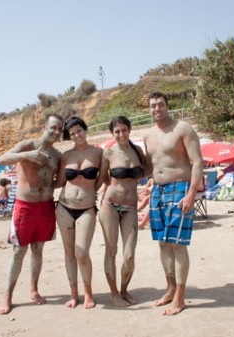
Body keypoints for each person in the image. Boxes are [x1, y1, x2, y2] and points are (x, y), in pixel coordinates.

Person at [143, 92, 203, 316]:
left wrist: (191, 193)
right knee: (162, 243)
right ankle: (169, 289)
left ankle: (179, 297)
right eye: (152, 106)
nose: (156, 108)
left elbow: (197, 161)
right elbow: (150, 166)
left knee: (178, 243)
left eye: (160, 105)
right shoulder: (148, 135)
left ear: (168, 106)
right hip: (157, 191)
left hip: (179, 188)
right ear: (149, 109)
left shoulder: (183, 129)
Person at [0, 113, 64, 315]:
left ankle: (34, 289)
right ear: (44, 126)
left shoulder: (57, 155)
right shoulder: (27, 145)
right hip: (25, 206)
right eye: (53, 127)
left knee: (38, 250)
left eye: (59, 129)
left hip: (45, 206)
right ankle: (7, 295)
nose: (56, 131)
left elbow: (59, 181)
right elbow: (2, 159)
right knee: (19, 251)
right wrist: (25, 156)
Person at [95, 116, 146, 307]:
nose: (121, 134)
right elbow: (102, 178)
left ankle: (124, 289)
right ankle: (114, 292)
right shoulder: (108, 153)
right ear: (112, 133)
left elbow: (146, 170)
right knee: (111, 250)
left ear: (129, 130)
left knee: (129, 255)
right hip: (110, 206)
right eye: (117, 131)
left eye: (124, 130)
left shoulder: (137, 151)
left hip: (131, 207)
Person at [54, 117, 102, 309]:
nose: (76, 135)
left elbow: (104, 178)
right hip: (64, 207)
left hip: (87, 209)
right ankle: (74, 294)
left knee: (81, 252)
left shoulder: (99, 153)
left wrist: (92, 192)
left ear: (85, 129)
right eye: (72, 133)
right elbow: (59, 182)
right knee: (69, 252)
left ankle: (88, 293)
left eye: (79, 131)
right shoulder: (66, 156)